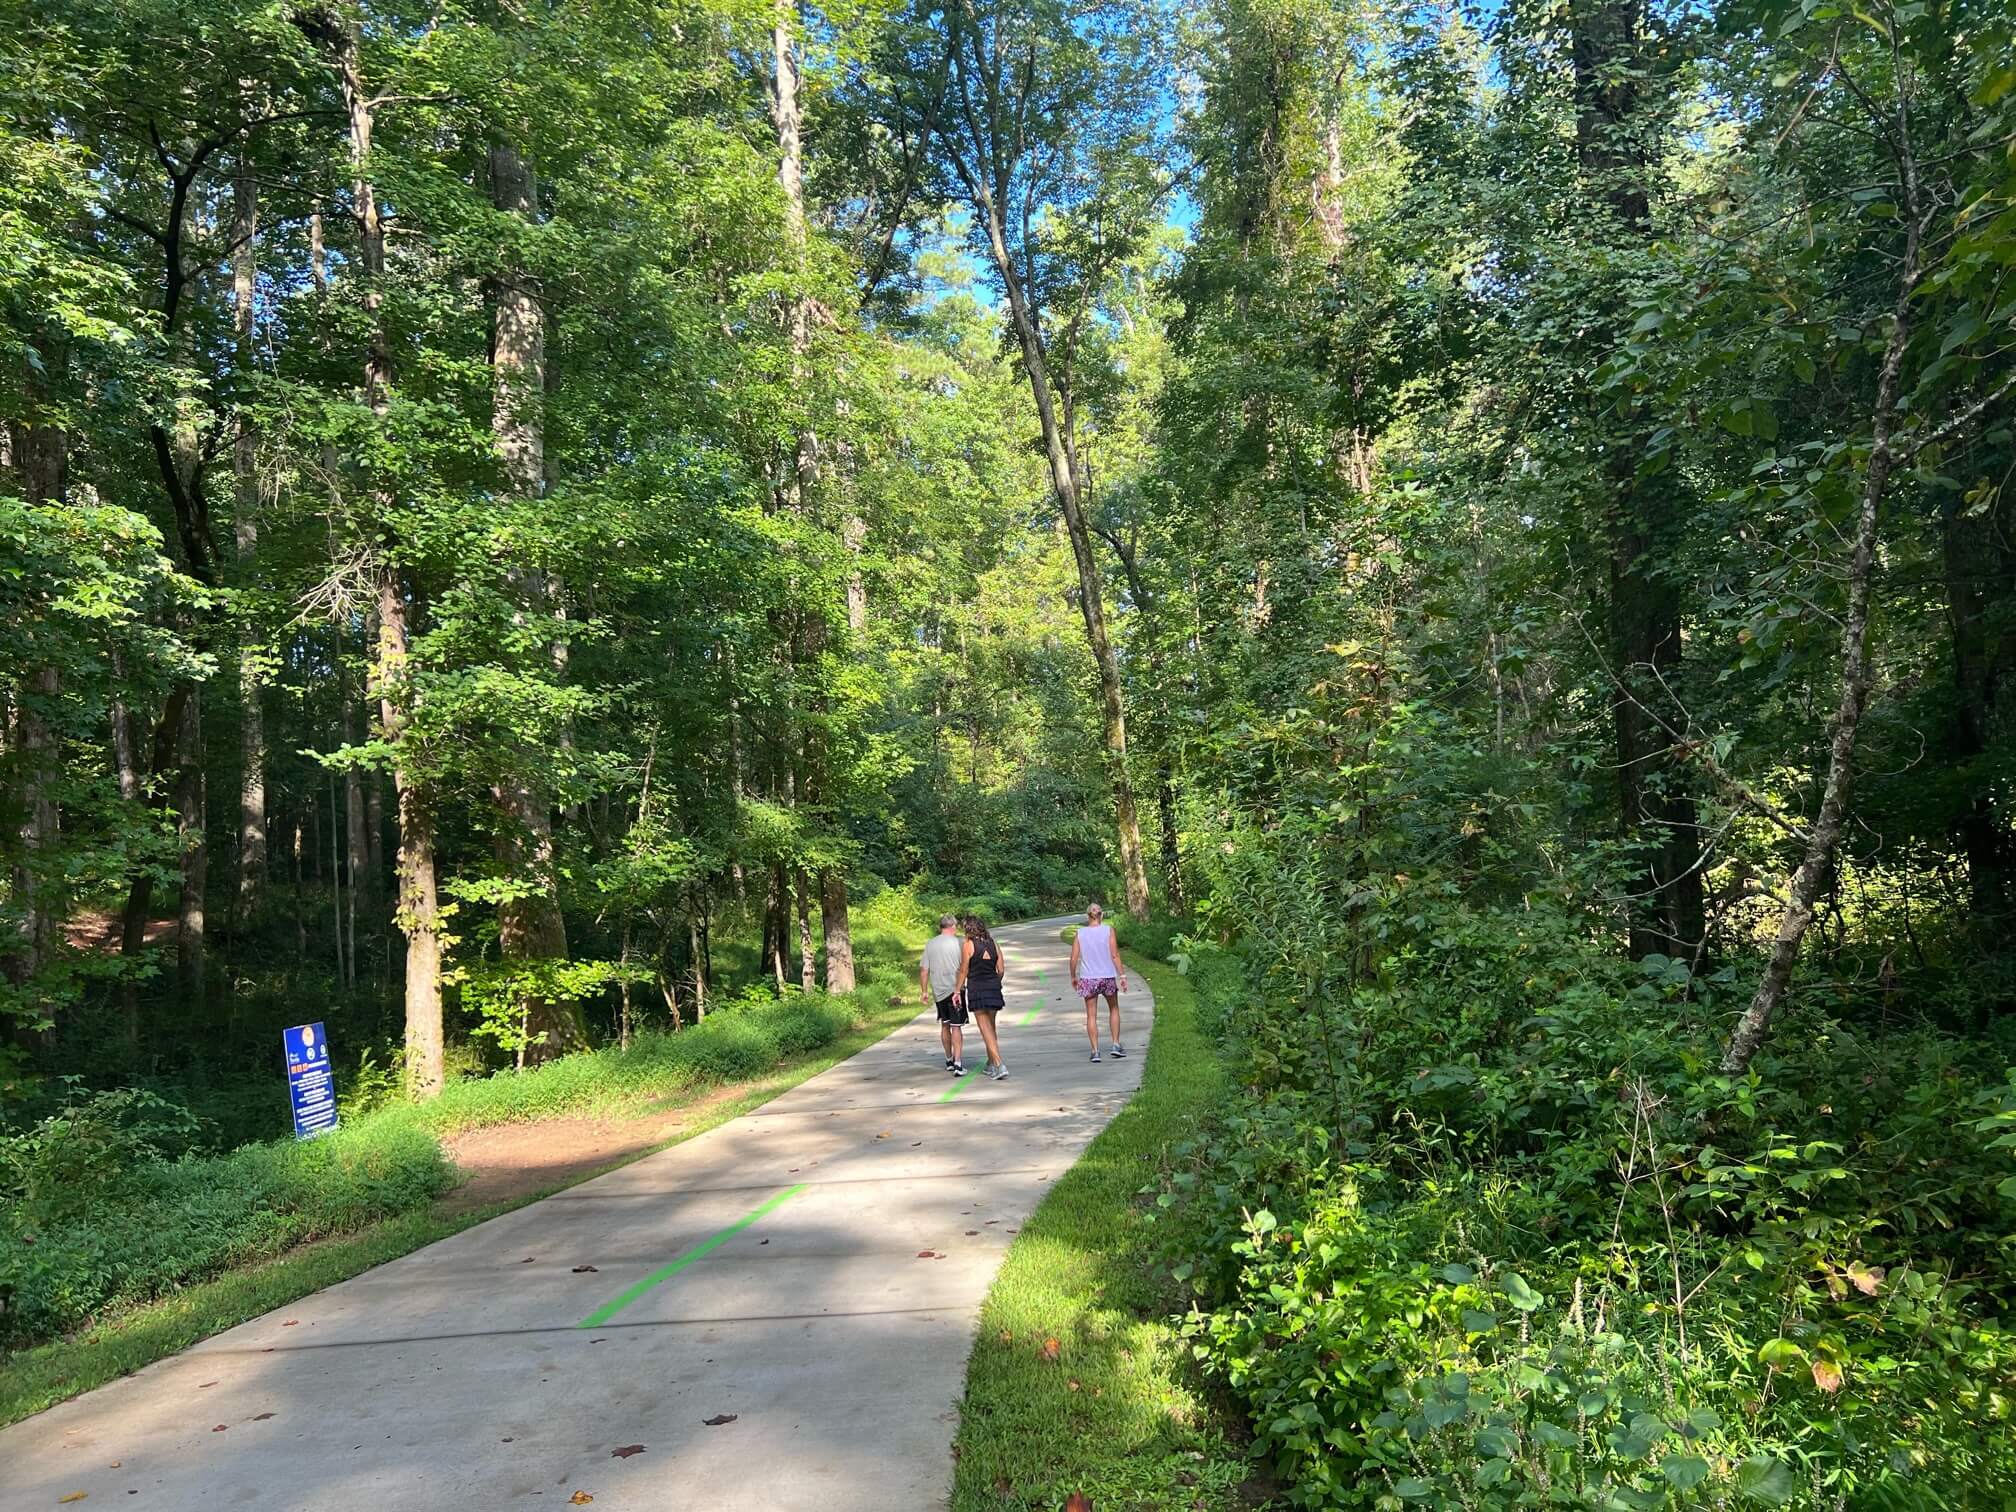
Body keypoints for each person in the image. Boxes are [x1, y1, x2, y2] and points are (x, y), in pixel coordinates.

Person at [1069, 902, 1128, 1063]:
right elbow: (1115, 955)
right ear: (1101, 915)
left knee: (1091, 1015)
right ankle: (1115, 1044)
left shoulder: (1080, 933)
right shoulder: (1109, 931)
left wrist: (1073, 976)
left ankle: (1095, 1051)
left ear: (1087, 916)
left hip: (1088, 978)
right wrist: (1122, 976)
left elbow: (1074, 958)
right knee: (1114, 1008)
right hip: (1107, 976)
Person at [961, 914, 1010, 1080]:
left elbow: (963, 970)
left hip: (977, 989)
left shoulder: (968, 944)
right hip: (993, 988)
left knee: (985, 1029)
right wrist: (995, 982)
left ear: (968, 928)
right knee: (991, 1027)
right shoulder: (993, 943)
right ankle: (990, 1064)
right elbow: (1001, 969)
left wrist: (957, 988)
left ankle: (999, 1064)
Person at [920, 913, 969, 1075]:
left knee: (945, 1024)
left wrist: (924, 991)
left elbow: (924, 970)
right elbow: (965, 966)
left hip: (939, 990)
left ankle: (948, 1059)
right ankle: (958, 1063)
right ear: (953, 926)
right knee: (956, 1026)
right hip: (956, 990)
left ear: (940, 927)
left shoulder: (930, 944)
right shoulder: (959, 943)